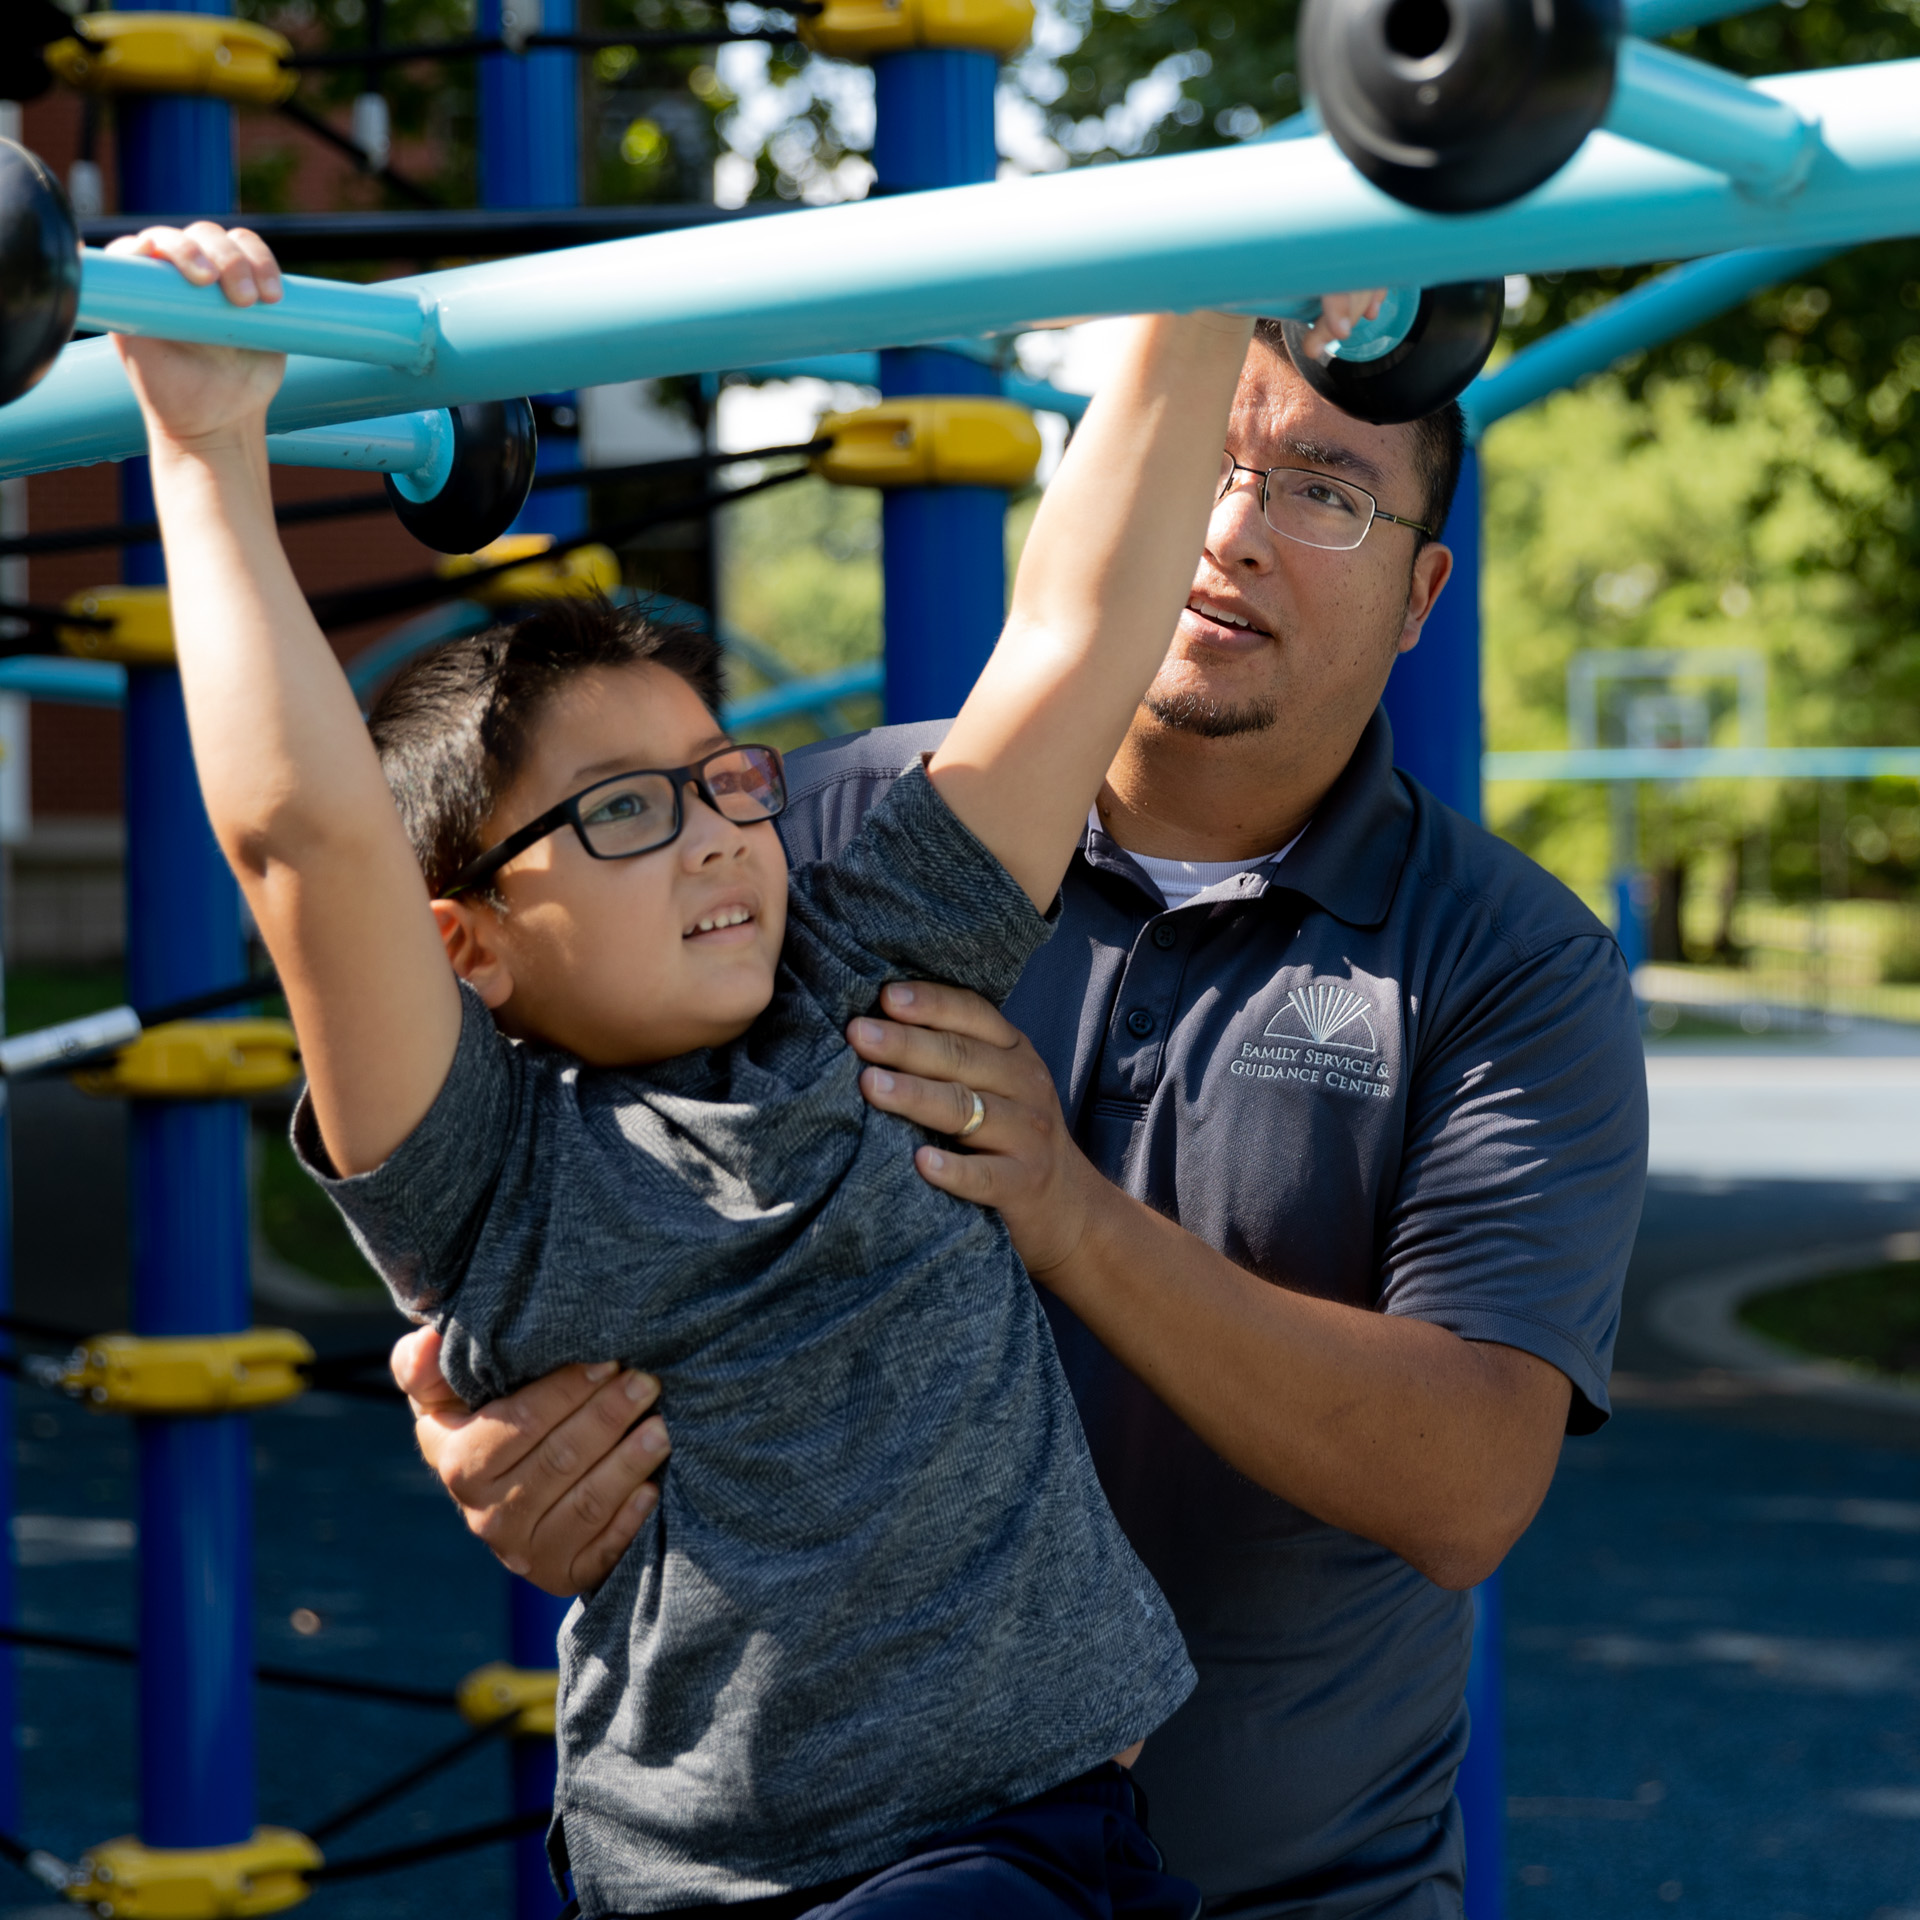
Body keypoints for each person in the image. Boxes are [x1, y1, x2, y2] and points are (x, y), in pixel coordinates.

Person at [111, 216, 1391, 1920]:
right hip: (738, 1888)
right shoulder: (485, 1176)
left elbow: (1077, 629)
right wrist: (205, 447)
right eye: (624, 814)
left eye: (724, 782)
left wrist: (1208, 281)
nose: (718, 836)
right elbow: (305, 843)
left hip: (1049, 1842)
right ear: (466, 940)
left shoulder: (866, 970)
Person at [399, 318, 1651, 1917]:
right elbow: (504, 1170)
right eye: (1203, 461)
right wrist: (478, 1408)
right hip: (831, 1882)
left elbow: (1469, 1482)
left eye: (1325, 492)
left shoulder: (1511, 964)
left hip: (1306, 1886)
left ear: (1421, 596)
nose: (1232, 528)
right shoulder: (818, 850)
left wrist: (1068, 1215)